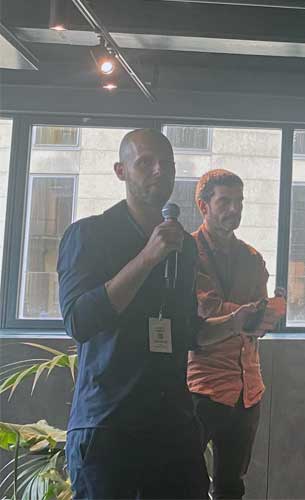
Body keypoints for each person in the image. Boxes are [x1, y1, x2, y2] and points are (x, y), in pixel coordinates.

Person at [57, 129, 261, 500]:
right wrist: (147, 258)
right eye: (145, 163)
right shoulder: (89, 235)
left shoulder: (182, 247)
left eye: (167, 165)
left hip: (174, 427)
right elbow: (79, 321)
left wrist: (233, 324)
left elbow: (186, 332)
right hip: (109, 424)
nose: (158, 172)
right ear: (121, 171)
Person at [187, 169, 286, 499]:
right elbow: (205, 309)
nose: (234, 209)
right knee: (187, 483)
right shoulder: (187, 251)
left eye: (239, 201)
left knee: (232, 487)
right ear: (203, 206)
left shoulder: (252, 257)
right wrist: (252, 313)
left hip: (248, 389)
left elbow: (258, 319)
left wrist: (270, 316)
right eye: (224, 201)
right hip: (200, 387)